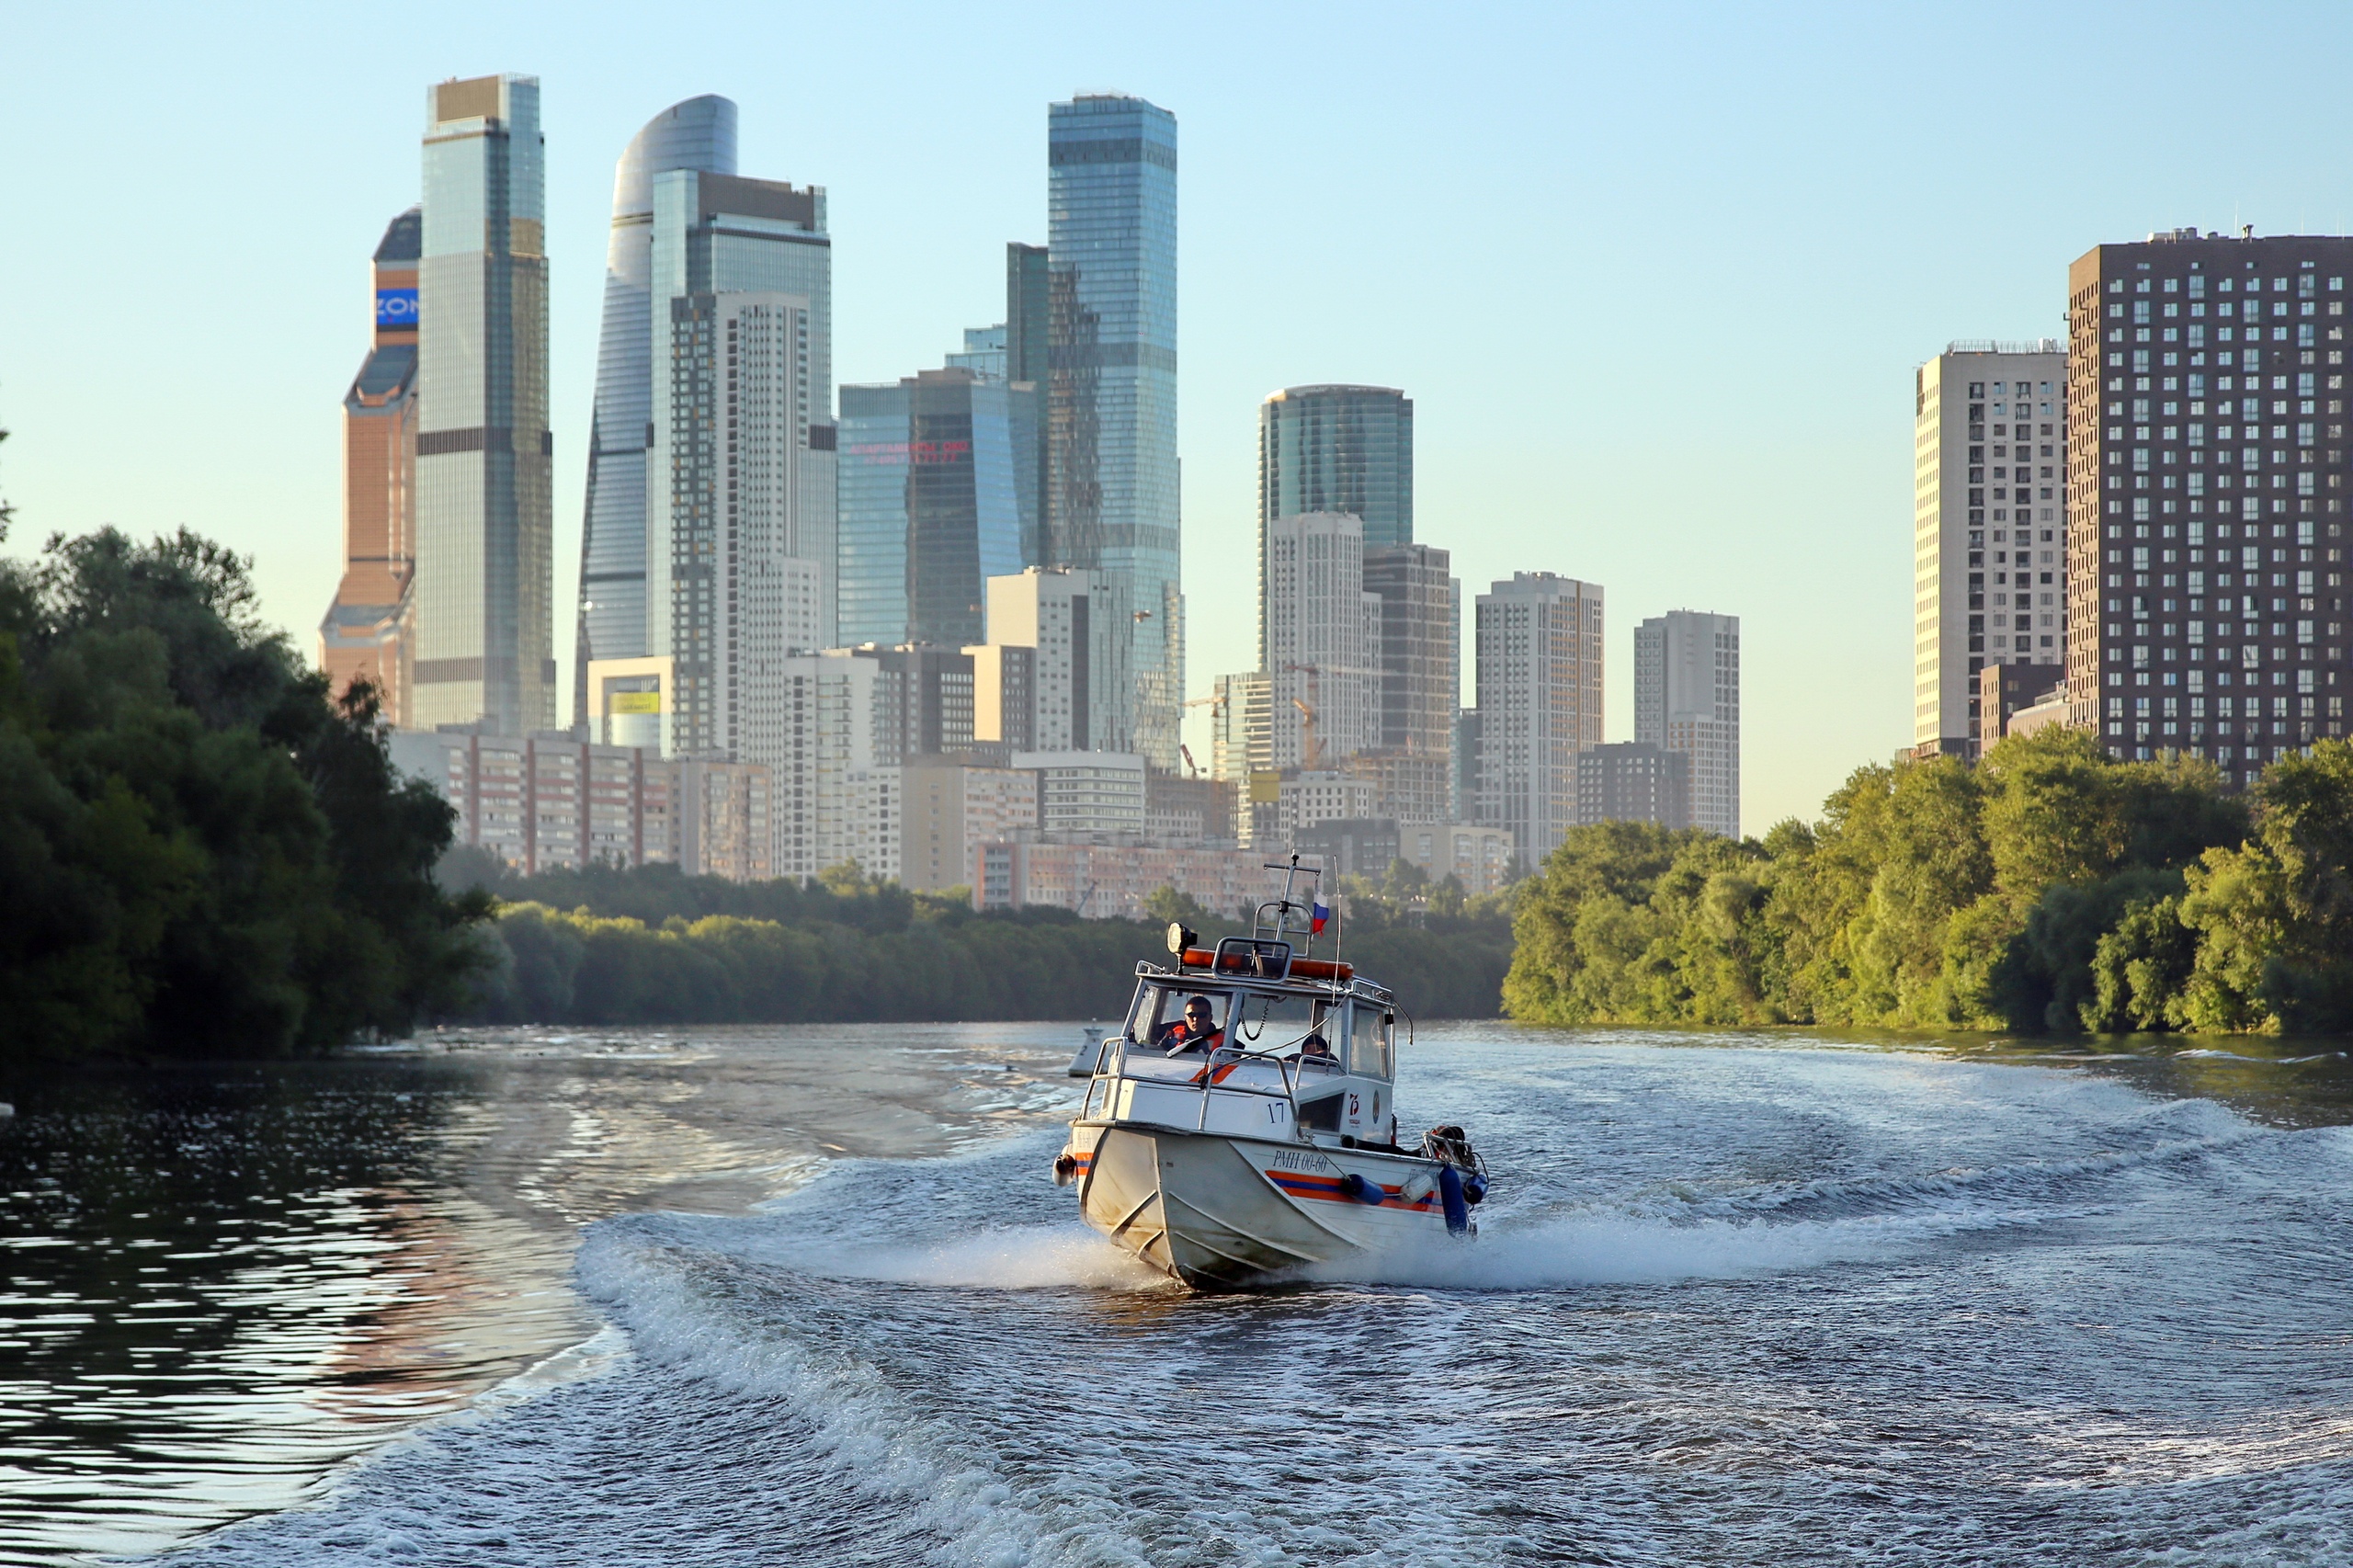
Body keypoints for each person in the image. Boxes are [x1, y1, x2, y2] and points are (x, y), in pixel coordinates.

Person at [1154, 994, 1224, 1054]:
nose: (1195, 1019)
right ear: (1185, 1017)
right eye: (1191, 1015)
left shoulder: (1225, 1042)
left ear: (1210, 1017)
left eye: (1202, 1015)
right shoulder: (1170, 1031)